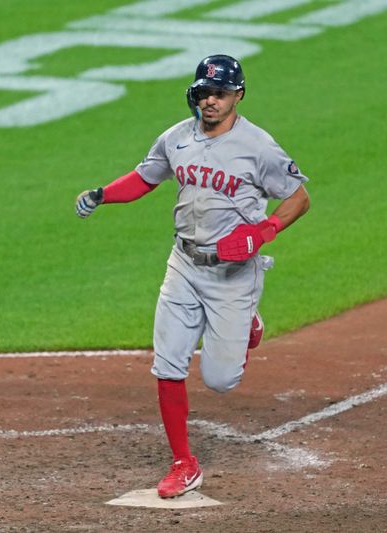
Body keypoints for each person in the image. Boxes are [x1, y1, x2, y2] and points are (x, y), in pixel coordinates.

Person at [75, 54, 310, 498]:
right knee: (167, 363)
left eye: (219, 93)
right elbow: (145, 179)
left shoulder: (259, 146)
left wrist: (264, 231)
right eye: (204, 92)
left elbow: (299, 198)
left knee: (221, 380)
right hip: (183, 264)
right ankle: (184, 461)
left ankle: (248, 325)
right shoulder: (176, 138)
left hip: (234, 275)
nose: (210, 101)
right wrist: (103, 194)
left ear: (238, 95)